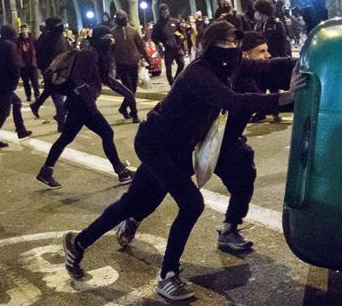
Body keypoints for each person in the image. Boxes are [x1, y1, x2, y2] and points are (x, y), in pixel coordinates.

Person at [63, 22, 304, 301]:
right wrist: (284, 97)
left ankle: (77, 242)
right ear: (209, 46)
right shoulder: (198, 74)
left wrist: (307, 59)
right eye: (223, 44)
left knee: (132, 203)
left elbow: (266, 67)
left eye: (234, 44)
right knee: (191, 203)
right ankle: (167, 275)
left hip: (178, 148)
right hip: (155, 143)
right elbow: (234, 100)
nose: (231, 50)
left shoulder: (232, 63)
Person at [115, 30, 297, 253]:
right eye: (261, 51)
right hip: (188, 141)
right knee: (156, 187)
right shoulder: (213, 75)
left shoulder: (249, 72)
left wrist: (305, 63)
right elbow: (241, 101)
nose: (267, 55)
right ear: (244, 54)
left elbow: (275, 68)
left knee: (244, 174)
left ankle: (230, 228)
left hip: (225, 143)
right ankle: (132, 219)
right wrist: (284, 98)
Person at [35, 26, 134, 189]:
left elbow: (107, 79)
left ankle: (46, 171)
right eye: (107, 38)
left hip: (79, 104)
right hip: (81, 104)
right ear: (100, 39)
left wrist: (127, 93)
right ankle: (121, 172)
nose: (110, 41)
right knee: (107, 133)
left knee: (67, 137)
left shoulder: (100, 55)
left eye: (111, 38)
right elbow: (77, 79)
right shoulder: (90, 53)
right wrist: (91, 105)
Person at [0, 25, 33, 148]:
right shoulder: (10, 46)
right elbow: (14, 64)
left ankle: (21, 129)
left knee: (17, 103)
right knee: (4, 111)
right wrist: (15, 80)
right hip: (6, 82)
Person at [31, 17, 70, 131]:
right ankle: (61, 124)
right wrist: (46, 70)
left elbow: (67, 51)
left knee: (51, 91)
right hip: (51, 72)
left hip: (62, 70)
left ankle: (36, 105)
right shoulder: (45, 39)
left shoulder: (61, 37)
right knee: (58, 97)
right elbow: (40, 56)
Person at [111, 10, 149, 120]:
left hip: (133, 63)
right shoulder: (113, 32)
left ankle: (123, 108)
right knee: (129, 90)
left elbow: (141, 46)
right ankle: (134, 113)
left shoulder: (133, 31)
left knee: (133, 89)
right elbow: (110, 50)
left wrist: (148, 60)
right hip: (121, 65)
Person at [153, 4, 187, 86]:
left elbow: (180, 32)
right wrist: (159, 43)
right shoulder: (158, 25)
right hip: (167, 49)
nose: (165, 13)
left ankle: (176, 80)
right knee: (168, 69)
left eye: (166, 11)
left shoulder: (174, 21)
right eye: (163, 12)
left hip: (177, 47)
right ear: (160, 13)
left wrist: (181, 37)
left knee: (181, 64)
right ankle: (172, 84)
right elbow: (154, 37)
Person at [17, 24, 40, 102]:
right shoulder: (18, 41)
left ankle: (37, 95)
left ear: (28, 30)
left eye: (25, 29)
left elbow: (37, 51)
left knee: (35, 81)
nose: (24, 31)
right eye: (22, 29)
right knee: (26, 82)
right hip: (23, 65)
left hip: (32, 64)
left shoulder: (33, 40)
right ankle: (28, 95)